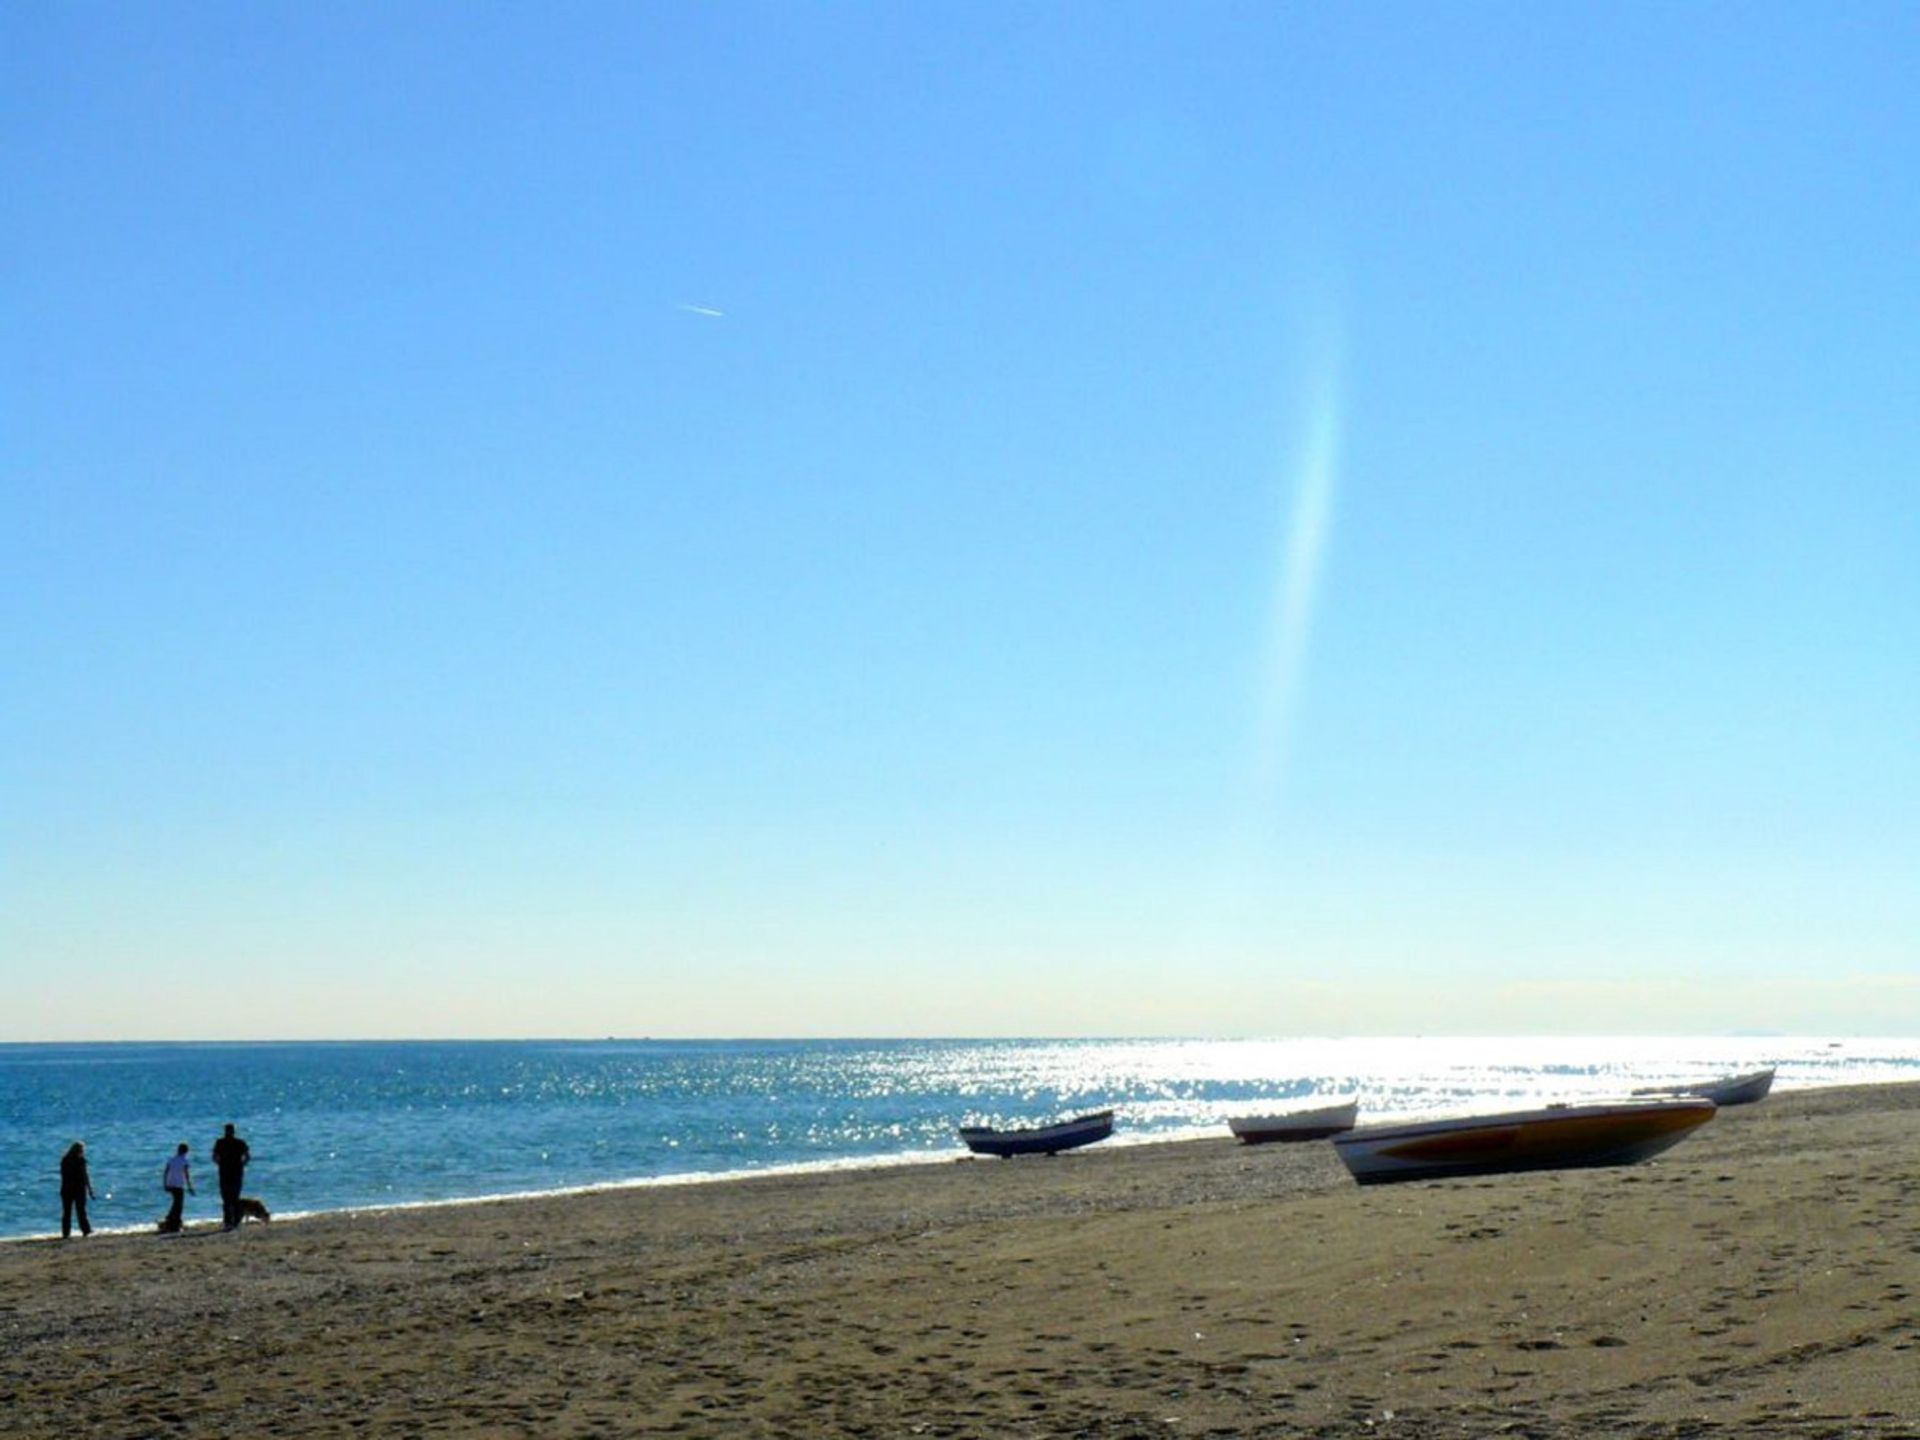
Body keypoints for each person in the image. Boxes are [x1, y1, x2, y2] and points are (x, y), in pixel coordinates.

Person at [211, 1123, 250, 1230]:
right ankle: (235, 1221)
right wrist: (242, 1164)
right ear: (234, 1131)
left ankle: (228, 1221)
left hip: (224, 1172)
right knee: (235, 1198)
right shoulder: (240, 1143)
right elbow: (247, 1156)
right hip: (237, 1172)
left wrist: (220, 1164)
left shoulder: (220, 1142)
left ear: (225, 1131)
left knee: (226, 1199)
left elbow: (214, 1157)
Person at [59, 1142, 95, 1239]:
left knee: (67, 1212)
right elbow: (85, 1176)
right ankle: (85, 1230)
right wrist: (90, 1189)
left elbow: (63, 1175)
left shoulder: (65, 1160)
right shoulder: (80, 1160)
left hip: (66, 1188)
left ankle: (66, 1233)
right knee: (81, 1211)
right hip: (79, 1188)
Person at [159, 1143, 194, 1233]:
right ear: (186, 1151)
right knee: (178, 1205)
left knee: (176, 1204)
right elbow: (186, 1175)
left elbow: (165, 1172)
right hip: (178, 1185)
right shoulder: (184, 1161)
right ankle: (173, 1222)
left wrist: (165, 1184)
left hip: (170, 1184)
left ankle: (173, 1221)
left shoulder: (171, 1160)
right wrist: (190, 1186)